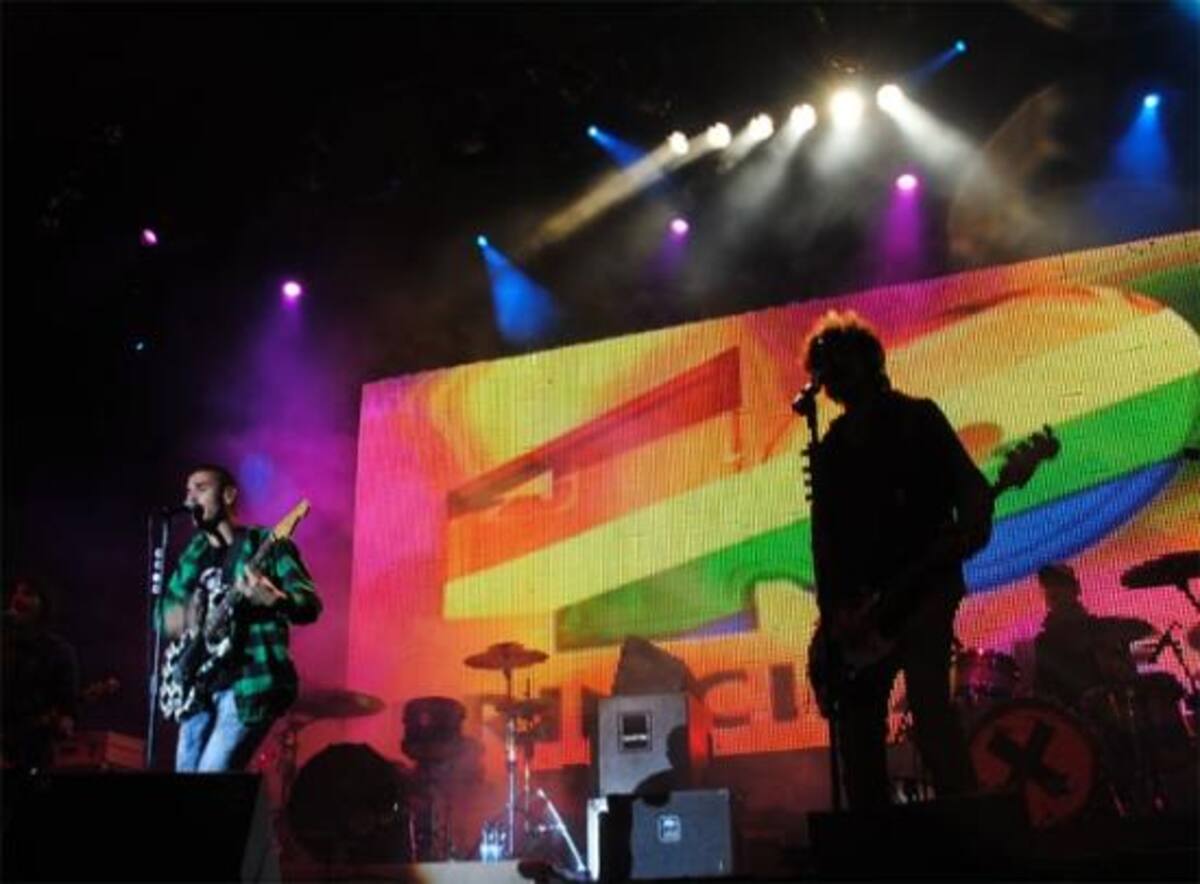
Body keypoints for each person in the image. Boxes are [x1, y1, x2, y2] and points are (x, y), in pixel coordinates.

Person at [804, 310, 994, 809]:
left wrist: (969, 532)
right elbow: (826, 539)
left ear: (868, 363)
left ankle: (968, 823)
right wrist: (834, 613)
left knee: (930, 707)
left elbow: (969, 485)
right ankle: (874, 835)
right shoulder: (831, 448)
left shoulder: (917, 417)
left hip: (924, 588)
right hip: (864, 605)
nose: (831, 376)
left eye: (840, 362)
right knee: (857, 729)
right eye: (825, 368)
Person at [160, 464, 321, 772]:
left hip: (246, 683)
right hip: (196, 688)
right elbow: (162, 617)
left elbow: (310, 604)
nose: (190, 498)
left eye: (201, 488)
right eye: (188, 490)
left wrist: (276, 600)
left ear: (229, 495)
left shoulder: (267, 543)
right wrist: (187, 616)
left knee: (211, 775)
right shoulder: (194, 554)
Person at [1, 576, 80, 771]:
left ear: (43, 604)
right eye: (16, 592)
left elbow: (67, 707)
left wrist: (64, 721)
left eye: (27, 593)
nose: (18, 599)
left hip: (30, 755)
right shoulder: (4, 644)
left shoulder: (58, 652)